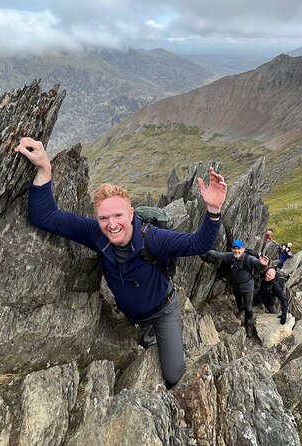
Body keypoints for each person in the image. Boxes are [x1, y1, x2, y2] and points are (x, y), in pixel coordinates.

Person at [14, 137, 227, 387]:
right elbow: (45, 217)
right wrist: (44, 168)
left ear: (131, 214)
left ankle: (168, 337)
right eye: (104, 218)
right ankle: (145, 329)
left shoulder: (154, 239)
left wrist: (213, 211)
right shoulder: (95, 232)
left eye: (118, 215)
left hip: (162, 309)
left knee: (173, 374)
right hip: (129, 313)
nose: (111, 224)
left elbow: (198, 244)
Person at [204, 239, 268, 337]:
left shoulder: (249, 259)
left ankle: (249, 324)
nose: (236, 251)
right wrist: (203, 247)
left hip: (247, 288)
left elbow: (259, 265)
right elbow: (217, 254)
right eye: (234, 248)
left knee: (248, 307)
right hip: (236, 286)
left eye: (239, 248)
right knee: (239, 301)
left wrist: (263, 264)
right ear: (232, 249)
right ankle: (240, 309)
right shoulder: (230, 256)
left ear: (243, 249)